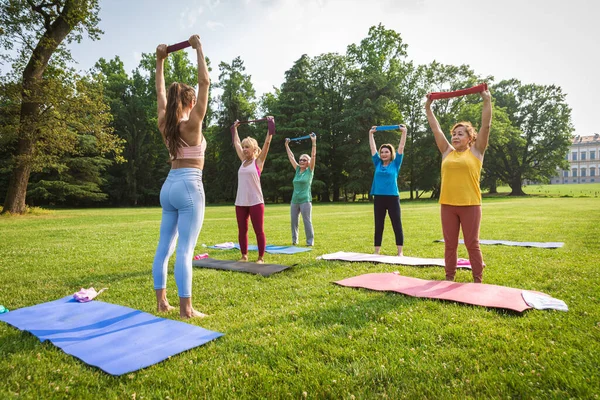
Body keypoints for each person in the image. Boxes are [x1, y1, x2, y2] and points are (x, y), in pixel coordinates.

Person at [152, 34, 209, 319]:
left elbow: (160, 94)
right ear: (190, 102)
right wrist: (198, 49)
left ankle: (162, 302)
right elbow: (205, 82)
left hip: (169, 186)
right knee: (185, 250)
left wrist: (160, 61)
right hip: (189, 186)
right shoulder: (193, 124)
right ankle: (186, 309)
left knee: (165, 247)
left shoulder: (165, 123)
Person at [425, 88, 492, 283]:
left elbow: (486, 126)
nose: (455, 137)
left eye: (460, 134)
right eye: (454, 133)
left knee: (472, 244)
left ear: (470, 138)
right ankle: (449, 278)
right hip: (448, 204)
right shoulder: (447, 151)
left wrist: (486, 101)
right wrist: (428, 107)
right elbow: (435, 128)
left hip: (470, 204)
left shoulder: (477, 151)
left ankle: (477, 280)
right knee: (450, 245)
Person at [231, 118, 273, 263]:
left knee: (258, 230)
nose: (244, 149)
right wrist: (234, 129)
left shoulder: (258, 162)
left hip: (256, 201)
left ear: (254, 149)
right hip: (241, 201)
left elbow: (267, 143)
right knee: (242, 230)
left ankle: (260, 257)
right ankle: (244, 255)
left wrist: (270, 126)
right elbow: (236, 143)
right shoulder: (243, 161)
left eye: (247, 147)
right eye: (243, 147)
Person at [368, 125, 408, 256]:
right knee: (379, 224)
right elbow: (372, 148)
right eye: (382, 152)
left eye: (386, 152)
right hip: (379, 197)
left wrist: (404, 133)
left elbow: (401, 147)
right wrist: (371, 134)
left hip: (392, 198)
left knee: (396, 223)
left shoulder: (396, 163)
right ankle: (376, 251)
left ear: (391, 153)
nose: (384, 154)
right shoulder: (377, 162)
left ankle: (400, 252)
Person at [284, 133, 317, 246]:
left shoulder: (309, 171)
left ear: (308, 162)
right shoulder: (298, 170)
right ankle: (294, 241)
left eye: (304, 160)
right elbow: (291, 157)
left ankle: (309, 242)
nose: (301, 161)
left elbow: (313, 156)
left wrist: (313, 142)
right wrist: (287, 145)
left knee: (307, 221)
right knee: (294, 222)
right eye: (301, 160)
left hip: (305, 200)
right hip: (295, 200)